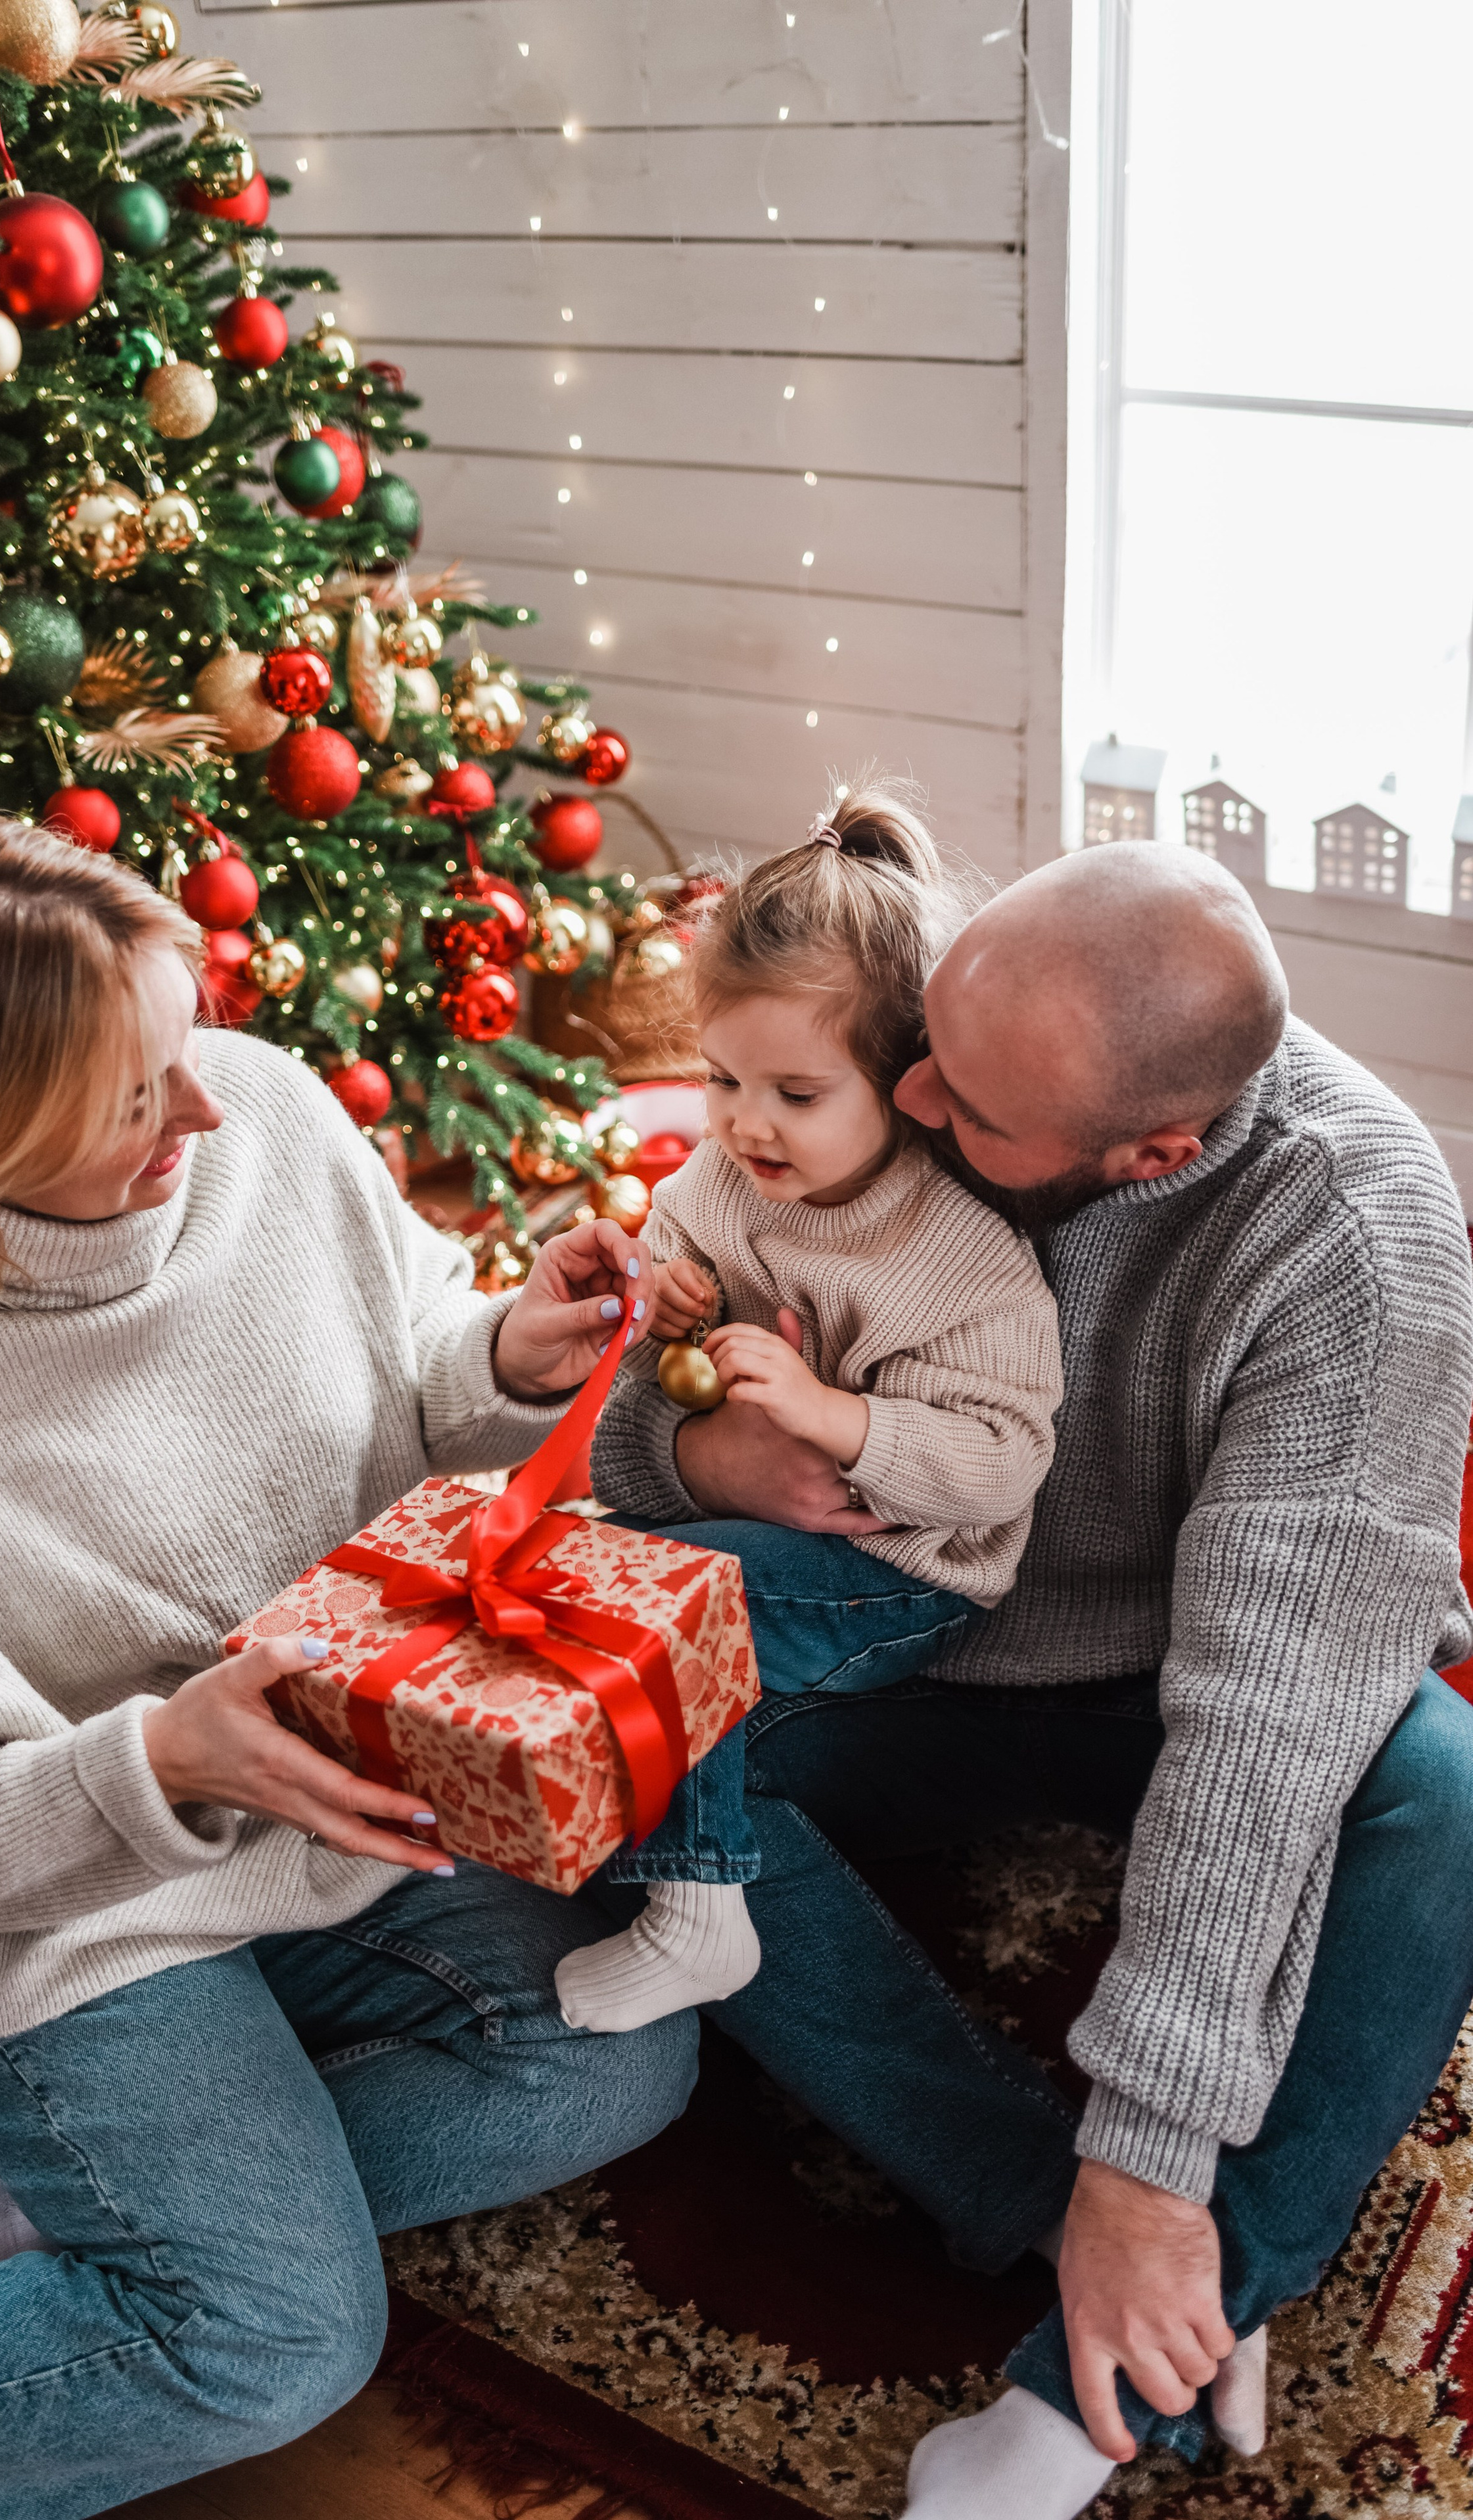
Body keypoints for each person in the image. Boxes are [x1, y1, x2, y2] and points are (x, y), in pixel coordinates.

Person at [0, 813, 691, 2520]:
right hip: (70, 1923)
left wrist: (499, 1336)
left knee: (617, 2048)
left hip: (344, 1813)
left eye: (180, 1043)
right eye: (136, 1096)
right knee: (276, 2340)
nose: (204, 1108)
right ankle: (128, 2229)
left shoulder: (258, 1106)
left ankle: (79, 2214)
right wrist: (157, 1765)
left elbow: (403, 1330)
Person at [589, 837, 1473, 2519]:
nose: (908, 1098)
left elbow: (1265, 1724)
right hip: (907, 1630)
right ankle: (1036, 2207)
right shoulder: (957, 1031)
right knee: (631, 1724)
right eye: (920, 1044)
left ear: (1152, 1151)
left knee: (1439, 1795)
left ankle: (1099, 2373)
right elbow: (653, 1407)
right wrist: (706, 1454)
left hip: (1181, 1673)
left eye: (970, 1112)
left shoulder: (1352, 1247)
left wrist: (1151, 2154)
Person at [554, 785, 1062, 2035]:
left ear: (906, 1086)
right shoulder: (716, 1181)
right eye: (723, 1078)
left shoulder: (959, 1255)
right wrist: (665, 1313)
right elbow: (638, 1386)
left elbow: (1004, 1463)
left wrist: (839, 1420)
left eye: (795, 1093)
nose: (743, 1123)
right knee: (575, 1577)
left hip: (904, 1572)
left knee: (667, 1606)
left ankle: (697, 1911)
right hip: (750, 1526)